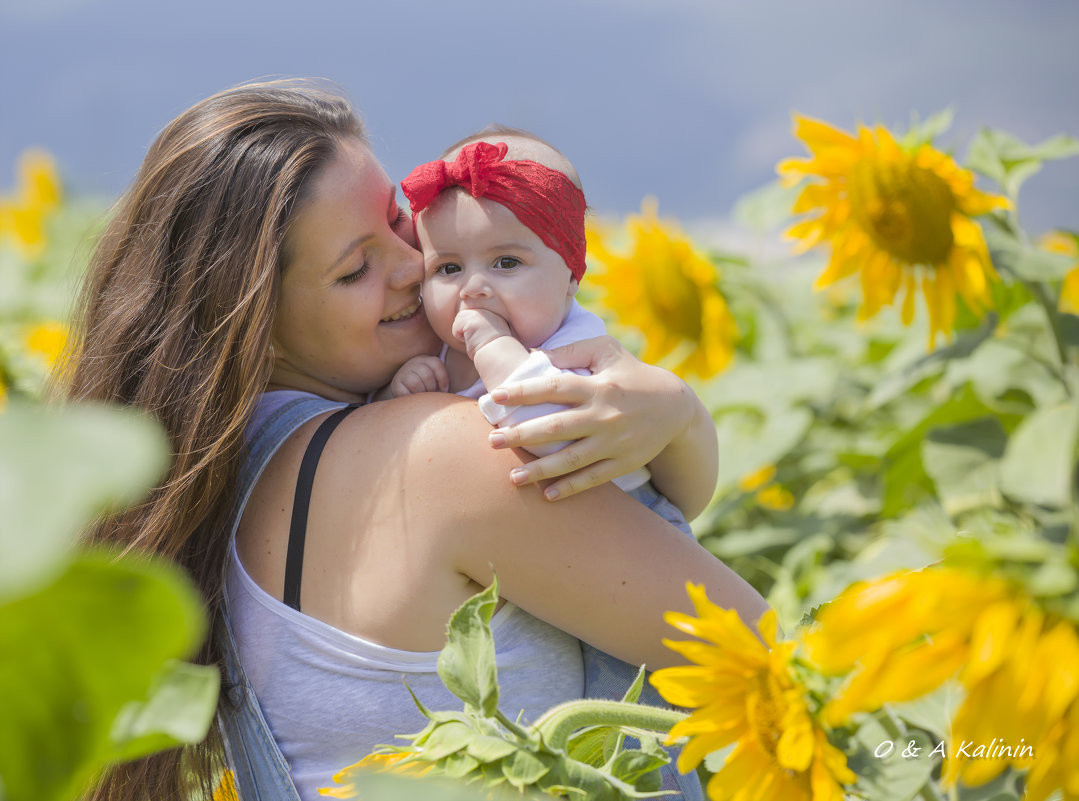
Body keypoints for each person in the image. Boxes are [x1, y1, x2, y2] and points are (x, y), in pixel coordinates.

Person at [62, 79, 769, 801]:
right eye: (355, 269)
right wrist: (677, 410)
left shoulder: (212, 475)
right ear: (254, 320)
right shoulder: (439, 454)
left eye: (401, 225)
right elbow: (762, 660)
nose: (415, 268)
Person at [383, 130, 708, 706]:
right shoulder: (441, 355)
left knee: (634, 728)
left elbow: (551, 430)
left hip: (622, 544)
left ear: (571, 274)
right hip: (534, 562)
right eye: (448, 268)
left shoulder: (576, 346)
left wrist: (490, 347)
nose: (473, 289)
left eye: (507, 262)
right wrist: (406, 388)